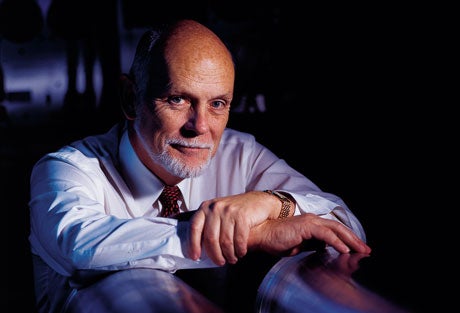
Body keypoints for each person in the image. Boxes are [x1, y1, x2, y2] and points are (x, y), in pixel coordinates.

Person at [28, 19, 371, 313]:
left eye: (218, 104)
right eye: (178, 99)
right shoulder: (68, 168)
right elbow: (80, 244)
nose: (201, 126)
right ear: (131, 98)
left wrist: (273, 203)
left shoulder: (239, 153)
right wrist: (247, 236)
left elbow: (341, 223)